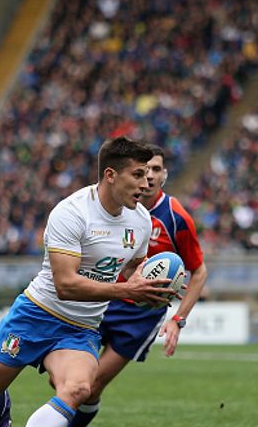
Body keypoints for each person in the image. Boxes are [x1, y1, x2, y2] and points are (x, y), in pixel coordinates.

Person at [0, 136, 175, 427]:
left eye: (148, 175)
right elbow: (65, 285)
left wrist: (149, 284)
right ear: (110, 175)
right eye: (137, 174)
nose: (146, 183)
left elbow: (131, 267)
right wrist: (127, 290)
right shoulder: (72, 213)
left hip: (80, 329)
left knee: (79, 389)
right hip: (35, 315)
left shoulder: (141, 221)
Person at [69, 143, 208, 426]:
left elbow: (199, 271)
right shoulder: (111, 206)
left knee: (88, 386)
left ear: (164, 175)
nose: (151, 176)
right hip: (104, 300)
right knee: (70, 383)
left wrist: (178, 319)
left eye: (157, 170)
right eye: (145, 171)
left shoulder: (176, 217)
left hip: (140, 316)